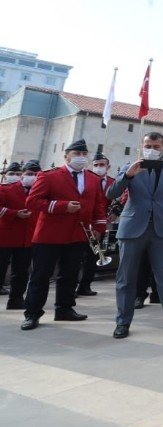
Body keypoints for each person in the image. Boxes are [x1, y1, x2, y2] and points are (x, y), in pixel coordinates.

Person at [107, 133, 163, 339]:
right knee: (126, 277)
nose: (152, 148)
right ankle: (123, 321)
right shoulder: (130, 167)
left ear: (162, 148)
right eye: (148, 145)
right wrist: (128, 176)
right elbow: (111, 193)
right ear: (142, 146)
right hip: (133, 227)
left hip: (161, 229)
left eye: (156, 145)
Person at [21, 139, 108, 330]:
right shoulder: (49, 176)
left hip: (78, 234)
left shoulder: (93, 179)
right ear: (66, 156)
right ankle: (32, 313)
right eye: (77, 154)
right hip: (49, 235)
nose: (81, 157)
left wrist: (99, 226)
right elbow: (32, 202)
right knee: (41, 276)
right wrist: (62, 206)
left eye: (84, 154)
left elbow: (98, 204)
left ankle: (64, 309)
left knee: (69, 275)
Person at [135, 146, 163, 307]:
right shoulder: (141, 170)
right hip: (144, 224)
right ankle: (139, 295)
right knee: (143, 263)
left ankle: (157, 293)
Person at [1, 161, 40, 310]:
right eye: (29, 174)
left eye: (36, 174)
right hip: (6, 236)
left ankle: (16, 299)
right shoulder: (6, 189)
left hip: (27, 238)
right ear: (22, 174)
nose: (33, 177)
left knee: (21, 272)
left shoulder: (40, 191)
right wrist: (14, 214)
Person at [76, 152, 114, 297]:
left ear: (108, 166)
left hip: (100, 223)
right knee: (77, 256)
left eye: (102, 165)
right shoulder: (86, 179)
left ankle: (85, 285)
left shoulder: (112, 182)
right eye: (96, 165)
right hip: (83, 223)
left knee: (93, 255)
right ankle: (72, 285)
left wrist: (112, 214)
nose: (99, 167)